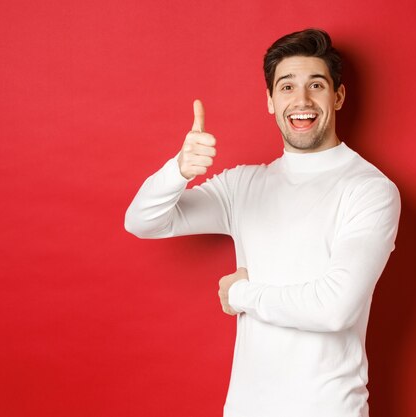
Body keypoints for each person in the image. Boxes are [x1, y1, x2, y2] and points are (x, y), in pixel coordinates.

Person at [125, 28, 401, 417]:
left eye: (316, 85)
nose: (301, 100)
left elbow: (334, 308)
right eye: (286, 87)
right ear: (270, 101)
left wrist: (242, 296)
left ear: (337, 96)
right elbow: (143, 221)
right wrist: (179, 170)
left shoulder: (370, 190)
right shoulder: (244, 184)